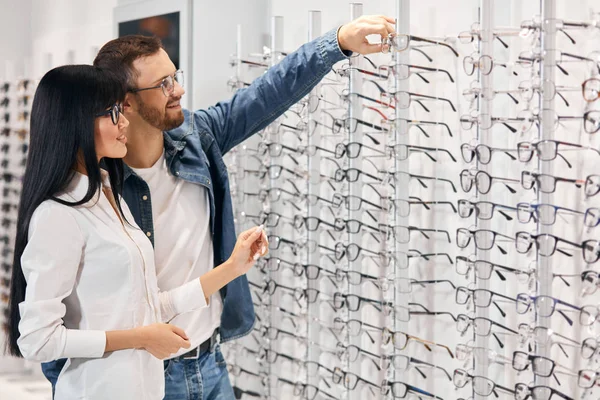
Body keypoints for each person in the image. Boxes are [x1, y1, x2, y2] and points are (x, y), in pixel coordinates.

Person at [41, 14, 396, 399]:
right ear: (126, 103)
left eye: (175, 76)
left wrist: (338, 42)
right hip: (143, 373)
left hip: (210, 363)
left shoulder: (197, 137)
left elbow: (265, 93)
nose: (177, 90)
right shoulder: (96, 187)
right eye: (163, 84)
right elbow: (52, 314)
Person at [5, 65, 267, 400]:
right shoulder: (57, 214)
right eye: (112, 112)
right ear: (76, 121)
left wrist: (233, 267)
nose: (124, 121)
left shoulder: (107, 195)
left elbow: (146, 306)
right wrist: (140, 338)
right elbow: (36, 340)